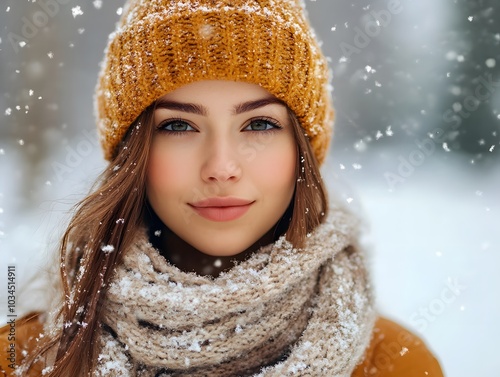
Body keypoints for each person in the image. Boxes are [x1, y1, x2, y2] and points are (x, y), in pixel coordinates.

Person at [0, 0, 444, 376]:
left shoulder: (393, 362)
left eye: (259, 124)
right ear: (133, 156)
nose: (222, 167)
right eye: (178, 125)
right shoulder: (25, 358)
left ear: (301, 151)